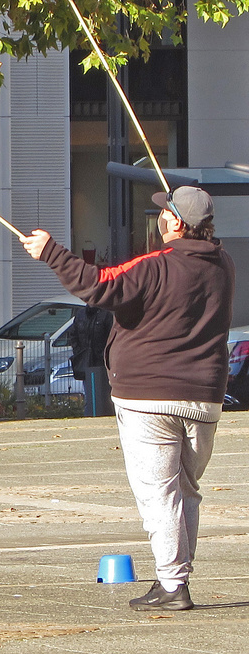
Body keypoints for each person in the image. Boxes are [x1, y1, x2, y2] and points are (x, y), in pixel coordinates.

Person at [20, 185, 233, 612]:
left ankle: (173, 585)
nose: (156, 219)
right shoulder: (223, 264)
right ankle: (173, 577)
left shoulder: (157, 265)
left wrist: (51, 252)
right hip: (205, 398)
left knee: (160, 493)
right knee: (186, 490)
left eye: (162, 214)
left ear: (174, 223)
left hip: (149, 397)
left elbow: (100, 286)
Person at [68, 303, 113, 416]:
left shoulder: (106, 314)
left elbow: (111, 337)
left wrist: (105, 355)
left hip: (102, 362)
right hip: (85, 361)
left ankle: (105, 414)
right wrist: (79, 352)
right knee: (89, 393)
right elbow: (73, 335)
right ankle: (90, 415)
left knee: (104, 393)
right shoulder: (81, 314)